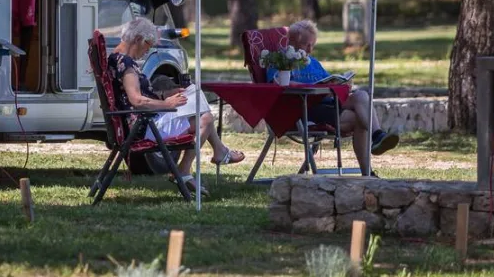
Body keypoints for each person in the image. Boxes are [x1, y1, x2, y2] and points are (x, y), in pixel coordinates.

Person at [110, 17, 244, 192]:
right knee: (206, 118)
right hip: (144, 127)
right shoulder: (126, 64)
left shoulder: (116, 58)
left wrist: (166, 94)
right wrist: (166, 103)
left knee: (196, 96)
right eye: (148, 46)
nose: (147, 51)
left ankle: (217, 152)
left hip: (144, 122)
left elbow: (134, 95)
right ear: (137, 39)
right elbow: (137, 100)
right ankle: (187, 168)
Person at [266, 19, 399, 175]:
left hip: (329, 104)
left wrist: (341, 84)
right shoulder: (280, 61)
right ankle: (368, 171)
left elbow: (327, 81)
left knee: (361, 95)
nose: (309, 50)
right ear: (292, 41)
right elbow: (278, 83)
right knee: (358, 120)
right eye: (305, 44)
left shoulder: (312, 62)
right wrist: (313, 87)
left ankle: (377, 136)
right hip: (306, 110)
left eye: (312, 45)